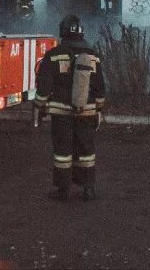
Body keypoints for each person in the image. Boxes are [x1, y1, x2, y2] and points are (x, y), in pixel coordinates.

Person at [35, 15, 106, 201]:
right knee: (86, 151)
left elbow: (44, 84)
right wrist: (99, 108)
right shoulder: (93, 56)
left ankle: (63, 190)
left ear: (63, 31)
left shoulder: (54, 55)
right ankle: (88, 188)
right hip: (87, 111)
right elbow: (100, 86)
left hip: (62, 113)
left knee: (63, 153)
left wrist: (38, 105)